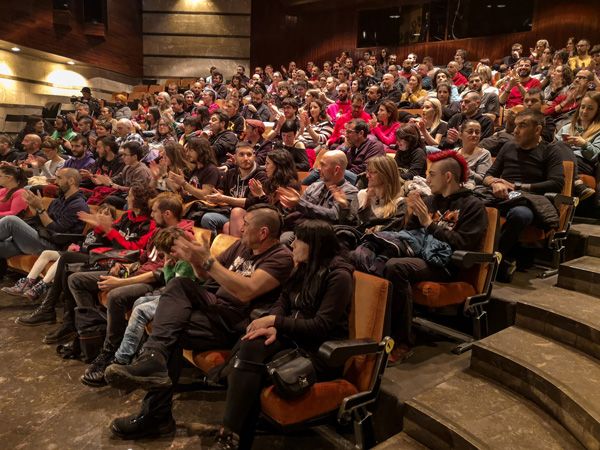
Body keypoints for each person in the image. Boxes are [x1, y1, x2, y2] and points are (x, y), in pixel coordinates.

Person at [105, 204, 295, 442]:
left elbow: (247, 291)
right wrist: (194, 259)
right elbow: (205, 275)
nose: (242, 228)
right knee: (177, 288)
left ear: (263, 232)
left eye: (246, 225)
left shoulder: (281, 257)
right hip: (215, 306)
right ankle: (153, 360)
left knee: (170, 331)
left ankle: (155, 415)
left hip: (236, 321)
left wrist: (207, 262)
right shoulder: (240, 245)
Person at [201, 220, 353, 448]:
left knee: (252, 355)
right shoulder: (302, 267)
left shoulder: (339, 276)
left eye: (298, 240)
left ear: (314, 244)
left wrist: (275, 321)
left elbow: (321, 325)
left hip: (320, 351)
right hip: (293, 340)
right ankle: (233, 437)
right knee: (253, 342)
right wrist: (274, 325)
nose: (292, 245)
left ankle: (231, 435)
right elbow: (282, 301)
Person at [16, 193, 190, 342]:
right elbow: (143, 256)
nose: (127, 198)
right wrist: (122, 266)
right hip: (122, 262)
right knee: (74, 276)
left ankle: (103, 342)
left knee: (109, 291)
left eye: (155, 211)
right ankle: (85, 330)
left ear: (166, 214)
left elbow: (146, 261)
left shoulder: (174, 234)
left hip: (143, 276)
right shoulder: (147, 226)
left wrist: (123, 278)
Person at [383, 150, 488, 364]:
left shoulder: (473, 206)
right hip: (420, 256)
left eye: (431, 175)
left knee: (396, 267)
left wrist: (428, 224)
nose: (427, 180)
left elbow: (464, 243)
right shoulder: (432, 200)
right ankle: (378, 332)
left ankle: (403, 340)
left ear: (448, 176)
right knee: (377, 256)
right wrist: (413, 215)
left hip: (446, 265)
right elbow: (414, 231)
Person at [483, 110, 565, 283]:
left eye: (522, 126)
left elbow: (557, 183)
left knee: (521, 214)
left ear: (537, 130)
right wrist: (495, 183)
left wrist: (518, 186)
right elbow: (488, 175)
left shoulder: (550, 151)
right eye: (515, 125)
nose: (515, 131)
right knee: (470, 204)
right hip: (502, 196)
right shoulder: (508, 146)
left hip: (528, 200)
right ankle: (498, 264)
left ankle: (488, 260)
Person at [111, 226, 201, 365]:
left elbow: (176, 290)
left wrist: (168, 267)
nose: (162, 256)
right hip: (175, 296)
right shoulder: (177, 260)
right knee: (139, 301)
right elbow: (171, 285)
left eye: (164, 253)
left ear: (173, 251)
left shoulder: (185, 263)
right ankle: (140, 350)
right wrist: (167, 266)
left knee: (140, 311)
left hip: (185, 302)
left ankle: (122, 358)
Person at [4, 204, 117, 302]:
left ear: (113, 220)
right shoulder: (91, 230)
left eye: (106, 214)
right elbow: (83, 244)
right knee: (47, 253)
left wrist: (102, 228)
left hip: (91, 258)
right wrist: (75, 248)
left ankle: (41, 286)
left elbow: (103, 247)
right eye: (100, 212)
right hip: (80, 253)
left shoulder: (109, 233)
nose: (101, 215)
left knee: (64, 257)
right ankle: (27, 283)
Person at [0, 168, 89, 278]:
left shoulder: (78, 205)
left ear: (71, 181)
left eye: (59, 178)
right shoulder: (58, 201)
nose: (55, 182)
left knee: (10, 220)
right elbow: (43, 221)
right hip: (41, 237)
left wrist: (41, 208)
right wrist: (35, 208)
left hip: (53, 246)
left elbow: (56, 230)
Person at [279, 150, 358, 243]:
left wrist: (298, 203)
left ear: (336, 170)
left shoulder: (350, 192)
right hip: (304, 230)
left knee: (286, 239)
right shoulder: (314, 186)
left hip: (326, 237)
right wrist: (290, 205)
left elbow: (334, 216)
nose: (318, 169)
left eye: (323, 165)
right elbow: (300, 209)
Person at [228, 148, 301, 237]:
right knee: (227, 225)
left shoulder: (290, 185)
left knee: (237, 212)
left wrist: (261, 195)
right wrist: (257, 197)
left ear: (278, 166)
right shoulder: (270, 181)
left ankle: (242, 249)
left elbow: (277, 214)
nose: (265, 167)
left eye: (268, 163)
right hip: (264, 219)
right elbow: (263, 206)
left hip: (278, 225)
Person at [200, 142, 268, 236]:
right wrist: (214, 197)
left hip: (251, 215)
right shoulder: (230, 174)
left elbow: (250, 202)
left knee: (235, 214)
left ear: (254, 157)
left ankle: (239, 249)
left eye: (249, 155)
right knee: (207, 218)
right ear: (235, 158)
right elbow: (220, 192)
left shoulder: (261, 176)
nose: (245, 158)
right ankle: (214, 248)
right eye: (241, 155)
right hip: (229, 212)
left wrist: (223, 198)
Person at [338, 155, 406, 234]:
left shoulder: (399, 204)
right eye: (367, 171)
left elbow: (381, 234)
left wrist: (367, 207)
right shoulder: (363, 194)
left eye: (372, 172)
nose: (367, 176)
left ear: (386, 175)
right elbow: (349, 225)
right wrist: (344, 207)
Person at [556, 92, 600, 200]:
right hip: (561, 159)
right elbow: (552, 148)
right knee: (560, 146)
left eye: (590, 108)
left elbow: (596, 156)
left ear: (598, 111)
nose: (584, 111)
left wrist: (584, 144)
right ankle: (577, 183)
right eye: (582, 107)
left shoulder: (599, 131)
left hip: (584, 162)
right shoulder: (566, 128)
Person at [93, 141, 153, 209]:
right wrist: (105, 181)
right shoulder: (127, 167)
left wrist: (112, 185)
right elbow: (119, 178)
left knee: (109, 199)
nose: (122, 157)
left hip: (136, 200)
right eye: (122, 154)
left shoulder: (141, 171)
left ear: (134, 157)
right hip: (126, 195)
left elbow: (134, 191)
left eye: (125, 155)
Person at [169, 137, 220, 202]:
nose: (187, 154)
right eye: (187, 151)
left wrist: (184, 183)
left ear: (201, 151)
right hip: (190, 205)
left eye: (191, 150)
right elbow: (188, 193)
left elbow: (205, 195)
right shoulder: (194, 169)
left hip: (201, 208)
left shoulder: (211, 170)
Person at [455, 120, 492, 189]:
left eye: (477, 132)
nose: (474, 135)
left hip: (469, 189)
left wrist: (465, 169)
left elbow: (483, 179)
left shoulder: (484, 154)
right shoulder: (454, 152)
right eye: (470, 132)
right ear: (460, 135)